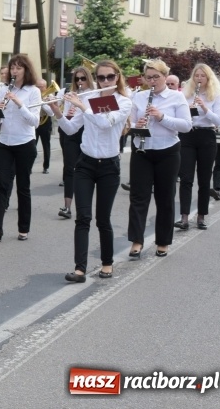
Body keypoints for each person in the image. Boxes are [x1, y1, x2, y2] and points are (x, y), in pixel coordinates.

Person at [50, 60, 132, 282]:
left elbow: (106, 123)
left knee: (102, 219)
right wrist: (56, 110)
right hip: (85, 163)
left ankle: (107, 263)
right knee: (82, 218)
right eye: (101, 77)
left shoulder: (124, 102)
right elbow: (71, 128)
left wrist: (83, 106)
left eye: (109, 77)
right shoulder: (88, 98)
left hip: (108, 166)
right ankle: (79, 269)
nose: (105, 81)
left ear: (117, 78)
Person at [127, 59, 192, 258]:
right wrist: (136, 124)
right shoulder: (139, 96)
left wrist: (161, 117)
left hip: (167, 151)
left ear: (165, 76)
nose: (152, 81)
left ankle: (163, 241)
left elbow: (186, 125)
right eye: (149, 77)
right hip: (142, 150)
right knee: (138, 197)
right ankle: (137, 240)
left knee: (164, 197)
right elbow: (129, 123)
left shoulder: (176, 97)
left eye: (156, 77)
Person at [0, 55, 40, 242]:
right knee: (2, 185)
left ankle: (23, 228)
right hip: (4, 142)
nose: (14, 71)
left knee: (23, 186)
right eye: (12, 68)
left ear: (26, 70)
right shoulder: (3, 89)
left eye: (18, 68)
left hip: (25, 143)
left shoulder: (33, 92)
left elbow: (34, 121)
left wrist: (19, 103)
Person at [174, 64, 220, 231]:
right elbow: (178, 116)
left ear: (208, 78)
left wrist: (204, 107)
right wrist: (187, 110)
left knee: (204, 178)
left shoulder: (215, 95)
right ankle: (184, 217)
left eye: (203, 76)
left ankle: (201, 216)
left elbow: (218, 121)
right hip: (188, 136)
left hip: (206, 136)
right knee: (186, 178)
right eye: (197, 76)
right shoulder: (185, 94)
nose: (199, 78)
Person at [56, 67, 96, 219]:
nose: (80, 82)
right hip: (71, 132)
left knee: (84, 170)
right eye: (77, 79)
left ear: (88, 79)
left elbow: (95, 116)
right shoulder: (69, 94)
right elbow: (63, 116)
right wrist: (60, 110)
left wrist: (80, 106)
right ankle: (67, 207)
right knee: (69, 168)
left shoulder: (94, 95)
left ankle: (83, 206)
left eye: (83, 78)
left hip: (87, 133)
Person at [34, 78, 53, 174]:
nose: (38, 88)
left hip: (45, 122)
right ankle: (29, 166)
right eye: (37, 86)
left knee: (46, 145)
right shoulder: (34, 95)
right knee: (32, 146)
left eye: (40, 87)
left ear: (45, 87)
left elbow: (51, 112)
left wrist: (42, 103)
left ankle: (46, 166)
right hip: (36, 122)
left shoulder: (50, 96)